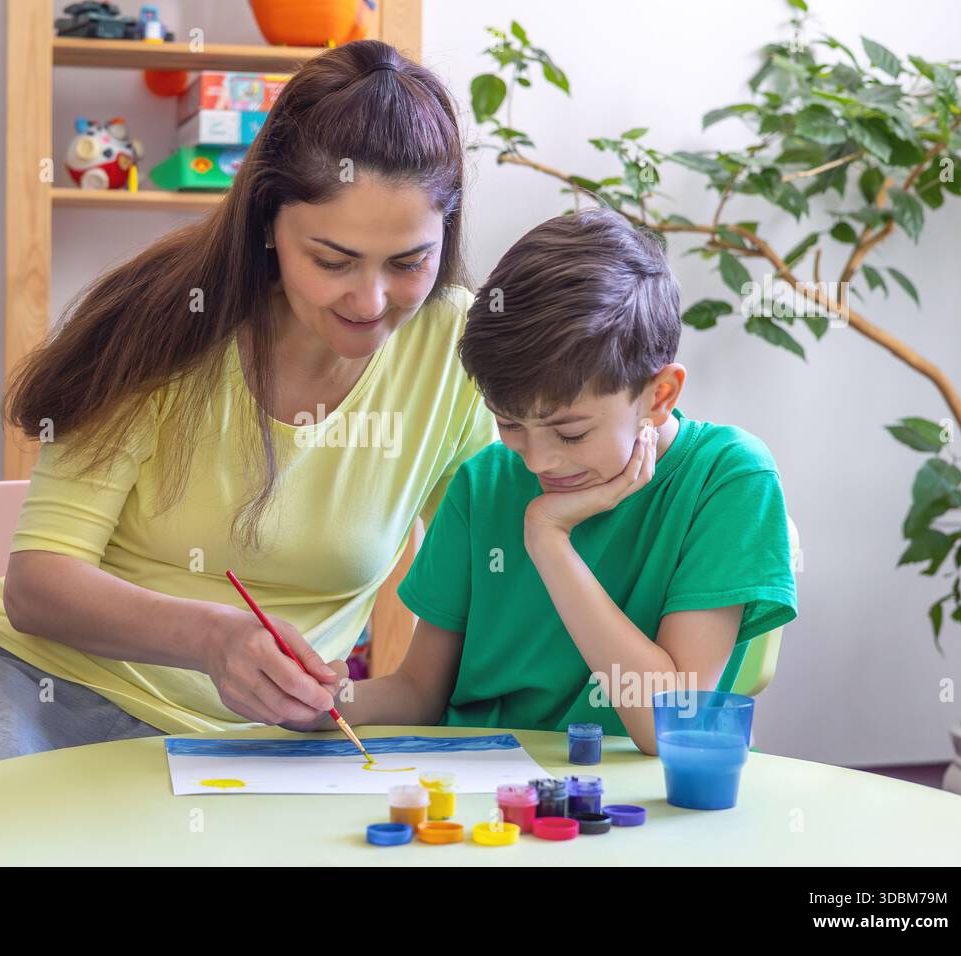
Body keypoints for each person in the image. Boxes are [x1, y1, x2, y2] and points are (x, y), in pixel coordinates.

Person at [0, 40, 495, 817]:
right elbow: (38, 585)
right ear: (267, 223)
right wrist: (214, 638)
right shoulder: (160, 317)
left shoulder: (454, 350)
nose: (370, 299)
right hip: (34, 686)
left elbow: (482, 571)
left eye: (408, 263)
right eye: (333, 258)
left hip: (261, 748)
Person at [292, 208, 798, 755]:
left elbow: (668, 725)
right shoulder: (482, 484)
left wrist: (549, 543)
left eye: (571, 433)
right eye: (509, 425)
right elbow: (419, 693)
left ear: (659, 395)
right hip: (475, 794)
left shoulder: (727, 478)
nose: (538, 462)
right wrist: (325, 700)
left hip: (620, 805)